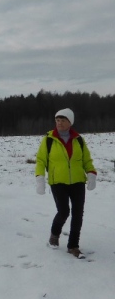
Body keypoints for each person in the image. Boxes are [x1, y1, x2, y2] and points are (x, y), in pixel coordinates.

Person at [35, 108, 96, 258]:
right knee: (64, 211)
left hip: (77, 181)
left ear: (70, 122)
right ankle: (54, 234)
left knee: (77, 213)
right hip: (58, 182)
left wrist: (91, 173)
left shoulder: (79, 140)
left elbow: (86, 160)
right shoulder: (48, 139)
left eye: (63, 120)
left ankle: (73, 245)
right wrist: (40, 178)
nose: (59, 123)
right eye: (57, 120)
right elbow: (41, 160)